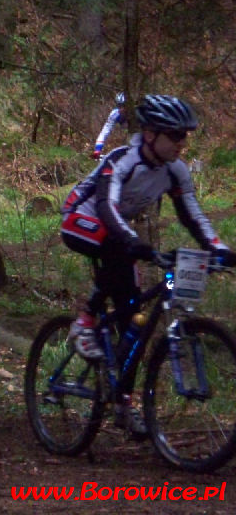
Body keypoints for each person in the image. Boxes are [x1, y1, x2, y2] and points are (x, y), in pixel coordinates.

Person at [60, 94, 236, 437]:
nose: (182, 144)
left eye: (185, 136)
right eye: (176, 136)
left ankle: (122, 404)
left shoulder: (175, 170)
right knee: (116, 248)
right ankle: (84, 322)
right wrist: (135, 243)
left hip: (117, 232)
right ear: (152, 134)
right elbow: (107, 208)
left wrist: (219, 249)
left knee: (134, 322)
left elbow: (193, 215)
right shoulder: (123, 160)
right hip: (80, 218)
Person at [91, 92, 127, 160]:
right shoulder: (114, 114)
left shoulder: (137, 112)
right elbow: (104, 132)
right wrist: (97, 151)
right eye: (119, 106)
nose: (122, 109)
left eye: (124, 106)